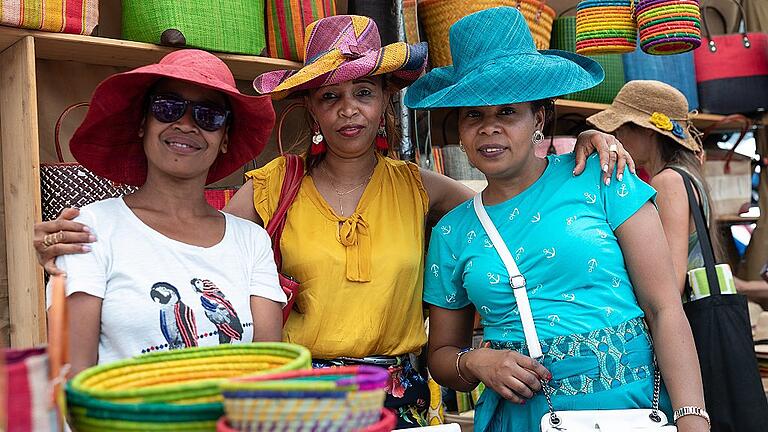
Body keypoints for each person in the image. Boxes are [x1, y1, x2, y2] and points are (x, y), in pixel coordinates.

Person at [34, 15, 633, 427]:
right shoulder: (270, 189)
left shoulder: (421, 189)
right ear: (311, 110)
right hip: (297, 399)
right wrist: (71, 235)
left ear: (385, 105)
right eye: (330, 96)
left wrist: (584, 143)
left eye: (364, 93)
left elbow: (508, 192)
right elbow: (188, 233)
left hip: (403, 396)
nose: (348, 111)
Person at [408, 8, 709, 432]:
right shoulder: (453, 232)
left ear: (539, 119)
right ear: (459, 128)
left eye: (508, 112)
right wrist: (475, 362)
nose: (489, 128)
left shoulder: (604, 177)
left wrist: (692, 419)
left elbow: (664, 309)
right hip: (522, 416)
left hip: (630, 408)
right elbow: (441, 354)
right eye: (473, 115)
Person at [42, 49, 287, 376]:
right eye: (167, 108)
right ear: (143, 124)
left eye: (209, 115)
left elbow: (267, 373)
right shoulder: (91, 229)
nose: (185, 124)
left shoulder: (251, 241)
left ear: (225, 138)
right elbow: (73, 378)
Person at [588, 79, 768, 431]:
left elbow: (671, 278)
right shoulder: (690, 176)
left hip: (688, 328)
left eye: (622, 127)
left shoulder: (667, 182)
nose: (619, 138)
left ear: (645, 131)